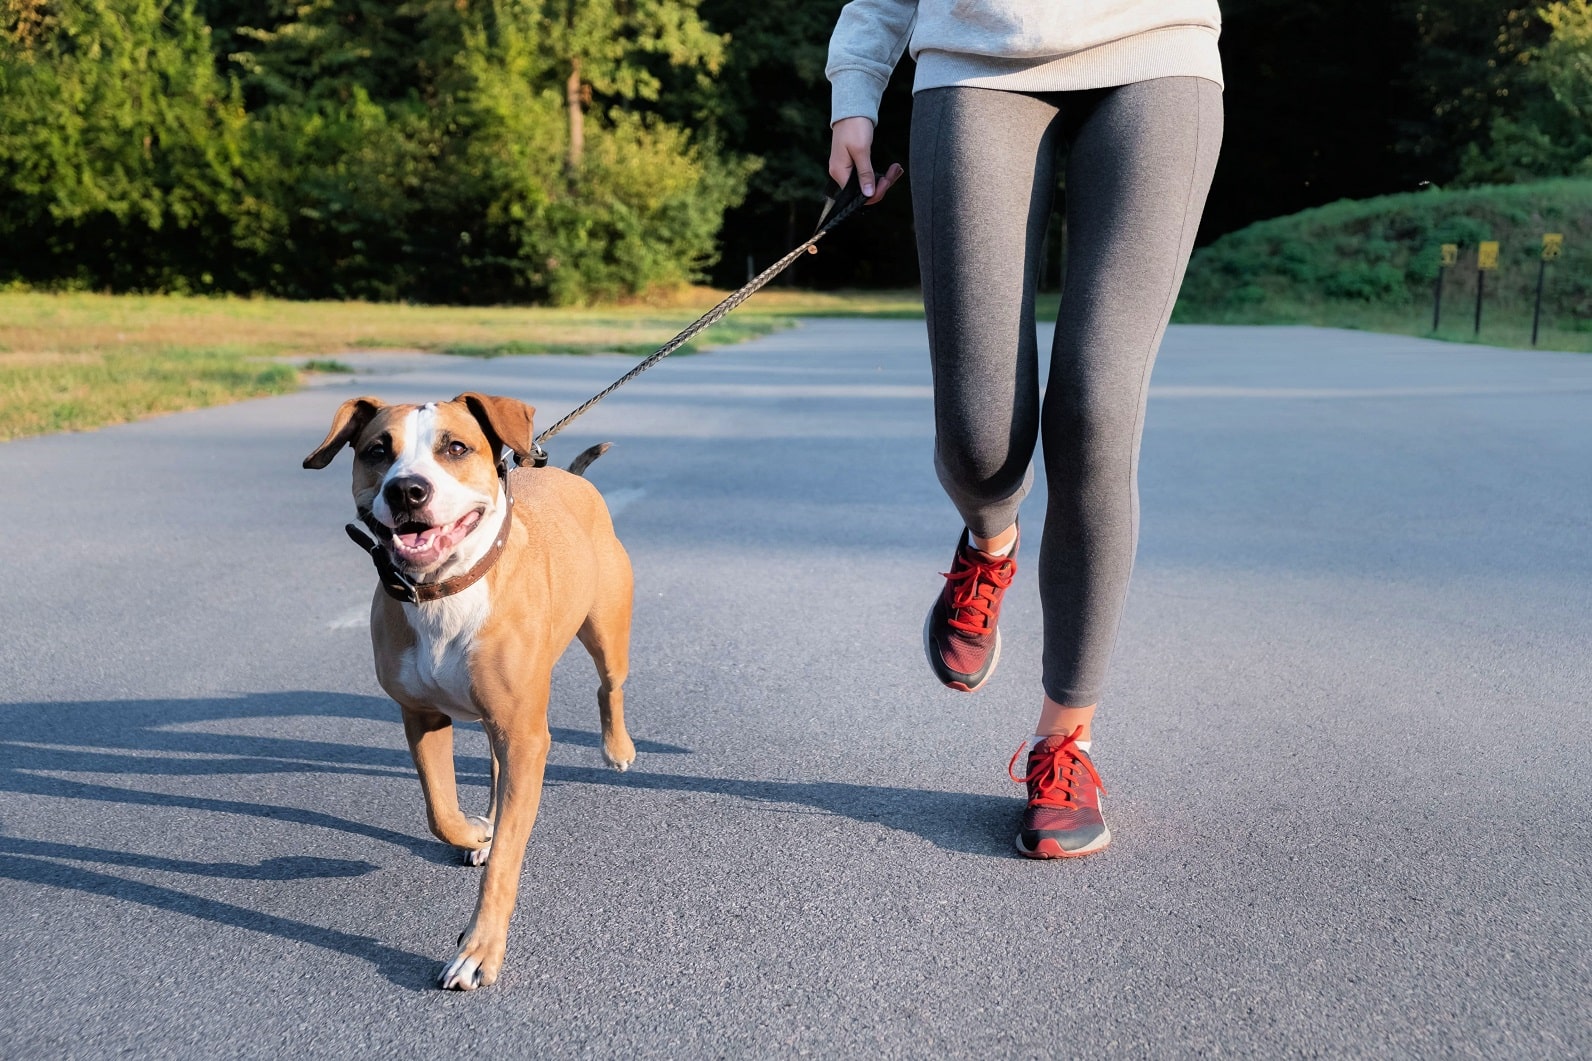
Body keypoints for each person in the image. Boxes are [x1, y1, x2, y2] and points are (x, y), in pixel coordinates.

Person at [825, 1, 1224, 858]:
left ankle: (1063, 743)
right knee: (982, 439)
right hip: (976, 58)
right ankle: (990, 543)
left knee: (1096, 410)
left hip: (1160, 52)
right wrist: (857, 83)